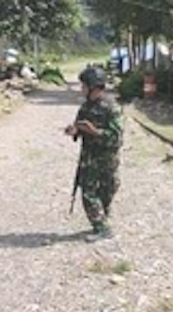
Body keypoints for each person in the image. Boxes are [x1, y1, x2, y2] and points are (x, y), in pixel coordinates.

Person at [65, 66, 123, 242]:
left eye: (84, 86)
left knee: (108, 189)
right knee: (89, 193)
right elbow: (79, 127)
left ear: (94, 87)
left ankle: (102, 220)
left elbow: (117, 138)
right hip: (89, 159)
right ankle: (102, 227)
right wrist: (75, 131)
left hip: (107, 158)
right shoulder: (85, 108)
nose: (81, 90)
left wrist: (95, 132)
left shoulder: (111, 108)